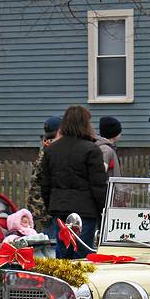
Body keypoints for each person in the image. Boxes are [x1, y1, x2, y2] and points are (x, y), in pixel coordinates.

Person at [39, 105, 107, 259]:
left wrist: (52, 206)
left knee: (62, 256)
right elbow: (99, 186)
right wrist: (103, 212)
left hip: (60, 210)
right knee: (82, 257)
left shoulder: (51, 150)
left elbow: (45, 185)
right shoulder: (91, 150)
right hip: (85, 213)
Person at [27, 115, 61, 235]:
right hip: (46, 206)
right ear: (59, 131)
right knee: (53, 240)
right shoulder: (53, 151)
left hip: (39, 204)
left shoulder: (45, 148)